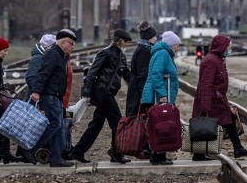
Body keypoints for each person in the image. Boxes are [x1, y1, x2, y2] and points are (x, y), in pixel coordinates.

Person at [69, 29, 132, 164]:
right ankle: (116, 152)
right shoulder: (105, 53)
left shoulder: (121, 56)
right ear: (118, 40)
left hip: (109, 93)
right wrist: (87, 92)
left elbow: (127, 74)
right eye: (125, 41)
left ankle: (78, 152)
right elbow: (92, 72)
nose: (126, 44)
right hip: (103, 92)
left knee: (96, 124)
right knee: (118, 122)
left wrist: (138, 85)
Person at [191, 34, 247, 161]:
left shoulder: (218, 59)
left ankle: (238, 148)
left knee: (230, 120)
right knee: (205, 125)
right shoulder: (211, 60)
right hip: (212, 100)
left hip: (218, 99)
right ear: (221, 46)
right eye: (228, 46)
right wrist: (205, 106)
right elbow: (206, 84)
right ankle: (198, 153)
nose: (230, 49)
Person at [29, 29, 77, 168]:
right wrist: (36, 91)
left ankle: (56, 158)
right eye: (71, 43)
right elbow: (43, 73)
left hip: (56, 96)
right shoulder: (53, 54)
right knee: (55, 125)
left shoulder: (60, 55)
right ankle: (31, 147)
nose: (72, 46)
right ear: (63, 42)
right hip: (50, 96)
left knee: (59, 127)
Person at [141, 31, 181, 165]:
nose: (177, 48)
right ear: (171, 44)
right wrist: (162, 94)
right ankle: (158, 156)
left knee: (159, 124)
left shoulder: (163, 53)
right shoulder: (163, 54)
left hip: (159, 95)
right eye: (176, 45)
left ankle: (159, 154)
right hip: (158, 96)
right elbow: (156, 74)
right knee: (161, 125)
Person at [126, 21, 158, 116]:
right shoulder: (144, 51)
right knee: (139, 117)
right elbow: (143, 74)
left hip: (138, 89)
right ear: (148, 37)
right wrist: (143, 95)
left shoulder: (144, 48)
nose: (156, 39)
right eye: (154, 36)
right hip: (139, 91)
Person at [25, 34, 55, 99]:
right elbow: (31, 78)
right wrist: (40, 92)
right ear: (48, 46)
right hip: (36, 99)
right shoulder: (38, 58)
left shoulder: (45, 57)